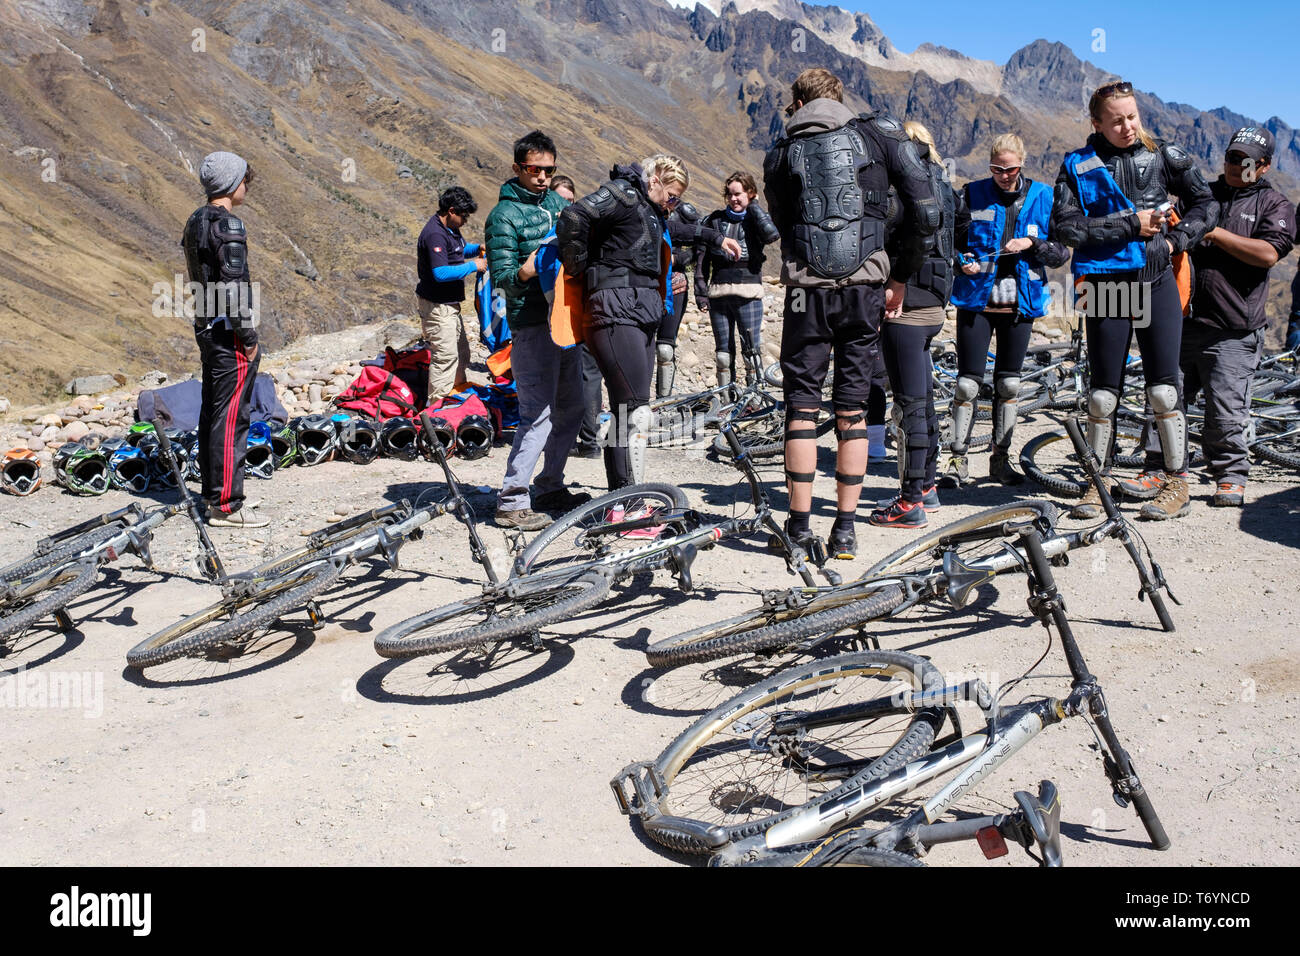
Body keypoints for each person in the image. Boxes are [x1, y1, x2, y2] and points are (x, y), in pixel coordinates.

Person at [763, 67, 939, 560]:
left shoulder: (779, 153)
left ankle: (798, 528)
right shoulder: (879, 135)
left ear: (796, 102)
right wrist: (899, 275)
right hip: (865, 287)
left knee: (800, 408)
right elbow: (927, 213)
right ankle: (844, 529)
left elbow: (782, 220)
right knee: (852, 409)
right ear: (840, 97)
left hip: (805, 294)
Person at [1052, 80, 1216, 520]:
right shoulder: (1076, 165)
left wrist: (1178, 239)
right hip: (1106, 286)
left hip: (1156, 280)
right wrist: (1130, 225)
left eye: (1133, 117)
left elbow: (1206, 203)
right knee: (1102, 396)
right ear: (1096, 123)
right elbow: (1066, 229)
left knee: (1164, 390)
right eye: (1117, 120)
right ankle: (1097, 483)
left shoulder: (1166, 155)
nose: (1127, 127)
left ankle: (1175, 483)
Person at [557, 155, 739, 490]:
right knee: (632, 411)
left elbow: (675, 229)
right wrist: (578, 266)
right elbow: (573, 215)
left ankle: (625, 496)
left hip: (641, 311)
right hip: (614, 308)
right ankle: (625, 502)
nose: (673, 203)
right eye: (672, 195)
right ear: (655, 178)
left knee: (635, 411)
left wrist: (714, 238)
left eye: (677, 199)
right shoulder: (622, 194)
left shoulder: (649, 209)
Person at [944, 133, 1069, 488]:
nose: (1004, 176)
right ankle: (957, 460)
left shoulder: (1045, 197)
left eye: (1010, 169)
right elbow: (952, 241)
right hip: (976, 301)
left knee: (1009, 385)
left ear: (1022, 164)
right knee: (968, 385)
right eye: (997, 169)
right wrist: (959, 261)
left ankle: (1000, 460)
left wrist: (1033, 243)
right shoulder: (972, 192)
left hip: (1021, 303)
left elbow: (1062, 253)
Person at [1181, 127, 1295, 507]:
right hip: (1183, 321)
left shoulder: (1274, 204)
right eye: (1232, 157)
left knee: (1226, 411)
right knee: (1164, 402)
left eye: (1245, 161)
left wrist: (1213, 233)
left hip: (1233, 329)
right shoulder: (1202, 195)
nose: (1236, 166)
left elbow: (1267, 254)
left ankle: (1230, 477)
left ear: (1262, 166)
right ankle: (1164, 472)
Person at [485, 131, 590, 530]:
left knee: (574, 409)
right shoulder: (503, 216)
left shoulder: (560, 206)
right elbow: (502, 276)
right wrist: (525, 271)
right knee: (537, 414)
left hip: (565, 319)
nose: (543, 176)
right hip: (530, 324)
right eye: (535, 169)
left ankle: (549, 485)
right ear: (518, 168)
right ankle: (512, 500)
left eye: (549, 169)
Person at [870, 122, 956, 528]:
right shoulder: (944, 184)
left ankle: (908, 503)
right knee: (923, 398)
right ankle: (927, 487)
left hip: (906, 305)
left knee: (908, 405)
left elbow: (899, 234)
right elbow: (966, 228)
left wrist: (895, 280)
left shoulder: (903, 187)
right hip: (936, 304)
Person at [182, 151, 267, 529]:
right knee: (233, 417)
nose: (246, 186)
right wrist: (247, 336)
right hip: (228, 331)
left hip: (205, 324)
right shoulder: (228, 225)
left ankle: (210, 493)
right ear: (234, 184)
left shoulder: (196, 220)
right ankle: (226, 505)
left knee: (213, 412)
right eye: (245, 180)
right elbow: (233, 290)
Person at [695, 172, 781, 388]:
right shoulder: (714, 220)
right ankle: (726, 399)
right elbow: (702, 260)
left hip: (749, 294)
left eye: (739, 194)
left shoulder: (757, 220)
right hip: (718, 295)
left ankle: (755, 397)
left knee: (751, 351)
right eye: (730, 195)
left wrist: (754, 207)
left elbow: (772, 235)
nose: (733, 199)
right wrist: (701, 292)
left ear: (751, 194)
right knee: (723, 355)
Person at [416, 186, 485, 401]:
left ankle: (456, 396)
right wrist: (474, 266)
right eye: (463, 216)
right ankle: (437, 409)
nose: (465, 220)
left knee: (462, 353)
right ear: (452, 211)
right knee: (445, 357)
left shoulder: (450, 229)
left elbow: (458, 250)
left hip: (450, 305)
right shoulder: (435, 234)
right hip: (438, 306)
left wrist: (478, 248)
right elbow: (441, 273)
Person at [655, 201, 705, 398]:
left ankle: (664, 401)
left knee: (665, 348)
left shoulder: (685, 210)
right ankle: (636, 403)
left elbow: (701, 239)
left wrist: (681, 258)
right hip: (643, 283)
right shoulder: (641, 204)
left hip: (674, 281)